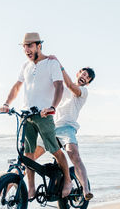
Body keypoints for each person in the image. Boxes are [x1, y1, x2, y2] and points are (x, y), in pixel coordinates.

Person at [0, 32, 73, 199]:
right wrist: (6, 104)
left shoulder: (51, 63)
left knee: (54, 149)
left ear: (39, 46)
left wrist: (52, 107)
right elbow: (17, 86)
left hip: (44, 114)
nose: (26, 49)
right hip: (26, 115)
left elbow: (59, 86)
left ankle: (67, 179)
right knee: (28, 154)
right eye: (24, 47)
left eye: (30, 46)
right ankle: (31, 188)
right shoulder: (25, 66)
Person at [33, 56, 95, 200]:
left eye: (87, 78)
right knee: (30, 157)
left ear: (88, 83)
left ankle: (86, 190)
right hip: (51, 127)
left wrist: (59, 65)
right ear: (78, 73)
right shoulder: (61, 89)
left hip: (67, 127)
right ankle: (3, 188)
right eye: (84, 74)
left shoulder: (82, 92)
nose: (84, 78)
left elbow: (71, 85)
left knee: (72, 152)